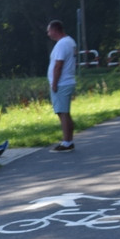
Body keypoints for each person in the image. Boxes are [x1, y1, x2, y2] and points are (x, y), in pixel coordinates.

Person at [46, 20, 77, 151]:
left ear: (55, 30)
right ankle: (69, 139)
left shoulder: (61, 44)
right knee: (66, 113)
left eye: (49, 31)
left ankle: (66, 142)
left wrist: (54, 83)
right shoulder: (70, 41)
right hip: (68, 81)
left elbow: (58, 65)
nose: (48, 34)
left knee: (62, 113)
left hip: (61, 83)